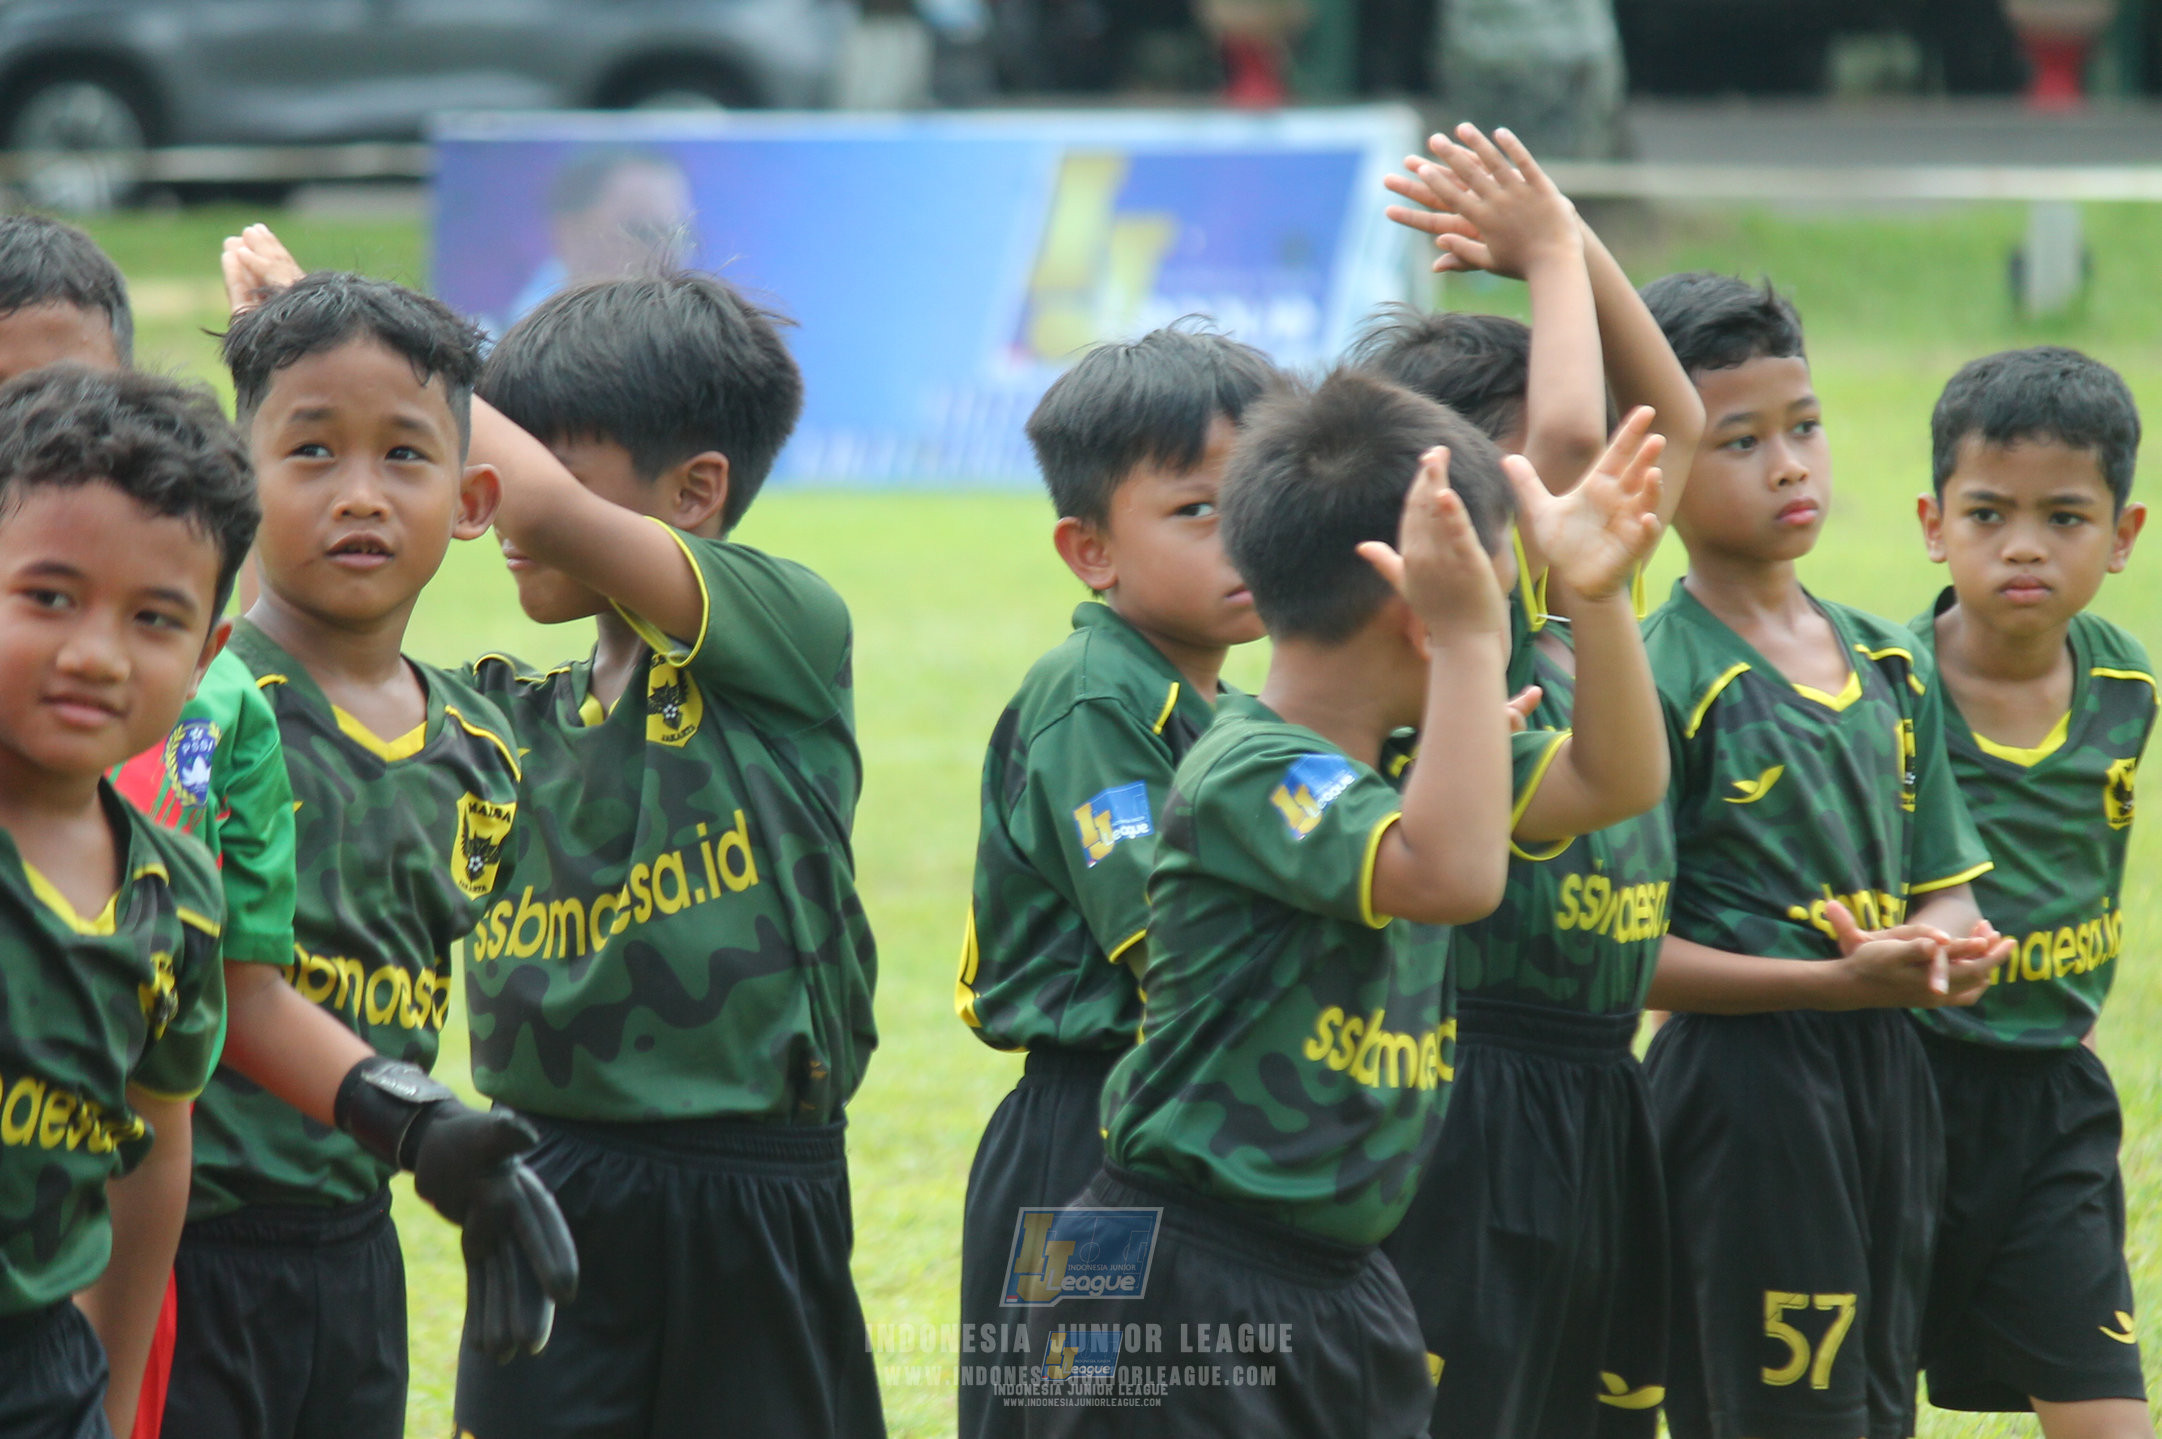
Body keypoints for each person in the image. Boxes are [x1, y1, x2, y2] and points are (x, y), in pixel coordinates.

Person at [1025, 367, 1668, 1437]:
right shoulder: (1247, 766)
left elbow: (1616, 782)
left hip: (1334, 1273)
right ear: (1415, 613)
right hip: (1171, 1265)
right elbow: (1452, 879)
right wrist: (1468, 645)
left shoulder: (1410, 764)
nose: (1503, 623)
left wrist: (1595, 598)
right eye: (1497, 599)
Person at [449, 271, 881, 1438]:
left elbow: (537, 507)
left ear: (695, 493)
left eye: (546, 472)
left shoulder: (785, 633)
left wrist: (369, 344)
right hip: (541, 1172)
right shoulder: (503, 716)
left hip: (748, 1178)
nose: (490, 510)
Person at [155, 262, 578, 1439]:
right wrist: (417, 1114)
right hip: (194, 1237)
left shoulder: (485, 742)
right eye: (309, 453)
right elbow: (219, 987)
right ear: (237, 482)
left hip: (361, 1232)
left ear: (473, 496)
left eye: (404, 454)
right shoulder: (201, 707)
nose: (361, 495)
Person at [1362, 122, 1704, 1439]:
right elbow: (1571, 433)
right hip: (1473, 1088)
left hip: (1596, 1080)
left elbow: (1662, 415)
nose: (1585, 481)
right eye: (1522, 469)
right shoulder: (1453, 635)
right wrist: (1549, 250)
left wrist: (1568, 237)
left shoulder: (1580, 617)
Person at [1635, 271, 2012, 1439]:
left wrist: (1943, 951)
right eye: (1736, 441)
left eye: (1801, 426)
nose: (1788, 464)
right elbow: (1631, 956)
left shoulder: (1891, 664)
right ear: (1648, 472)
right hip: (1739, 1086)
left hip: (1886, 1070)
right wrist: (1827, 979)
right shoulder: (1654, 674)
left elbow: (1944, 891)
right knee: (1768, 1401)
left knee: (1873, 1392)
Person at [953, 323, 1275, 1437]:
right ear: (1090, 551)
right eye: (1197, 510)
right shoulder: (1092, 692)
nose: (1246, 537)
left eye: (1265, 497)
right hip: (1085, 1130)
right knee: (1067, 1411)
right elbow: (1165, 937)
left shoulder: (1232, 711)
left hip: (1183, 1108)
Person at [0, 210, 290, 1439]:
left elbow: (154, 1139)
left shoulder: (170, 891)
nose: (94, 652)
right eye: (49, 594)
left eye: (153, 621)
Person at [1909, 346, 2153, 1439]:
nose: (2022, 545)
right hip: (1893, 1088)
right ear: (1931, 524)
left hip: (2052, 1101)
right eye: (1985, 512)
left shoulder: (2126, 685)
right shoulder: (1876, 688)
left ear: (2121, 536)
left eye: (2062, 516)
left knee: (2105, 1410)